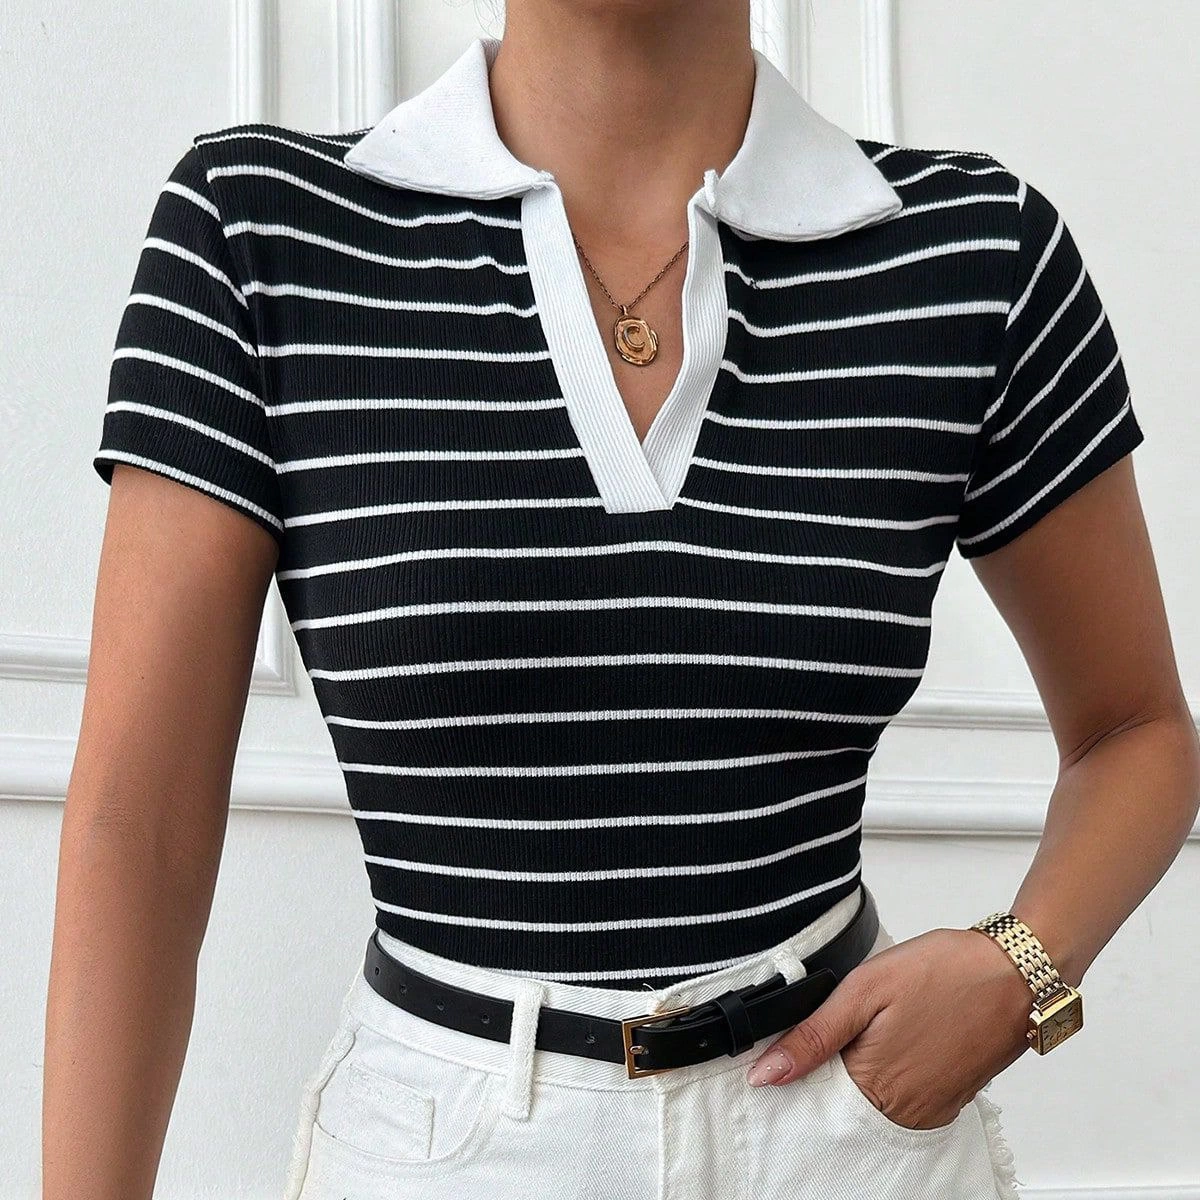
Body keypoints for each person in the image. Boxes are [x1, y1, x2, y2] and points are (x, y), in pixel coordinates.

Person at [46, 5, 1199, 1200]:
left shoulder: (973, 254)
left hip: (844, 1132)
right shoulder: (258, 233)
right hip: (448, 1150)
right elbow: (140, 825)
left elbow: (1136, 730)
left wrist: (1025, 969)